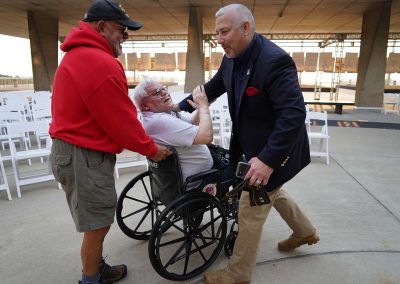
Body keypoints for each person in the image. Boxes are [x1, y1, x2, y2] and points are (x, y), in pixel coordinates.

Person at [174, 4, 319, 284]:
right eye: (217, 32)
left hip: (277, 150)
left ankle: (237, 274)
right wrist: (175, 107)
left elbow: (293, 115)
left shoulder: (275, 61)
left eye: (224, 31)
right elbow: (215, 86)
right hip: (252, 147)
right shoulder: (232, 55)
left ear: (246, 28)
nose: (219, 39)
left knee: (250, 209)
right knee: (273, 192)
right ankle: (305, 232)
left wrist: (267, 161)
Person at [48, 1, 171, 284]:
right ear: (101, 27)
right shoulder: (98, 63)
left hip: (76, 152)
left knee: (95, 219)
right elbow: (121, 121)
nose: (125, 36)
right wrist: (152, 148)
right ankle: (91, 279)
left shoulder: (81, 55)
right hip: (84, 156)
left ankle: (95, 266)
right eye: (121, 29)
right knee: (98, 224)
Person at [133, 79, 234, 189]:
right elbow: (206, 137)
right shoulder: (159, 121)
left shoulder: (162, 114)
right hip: (198, 182)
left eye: (164, 89)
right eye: (157, 92)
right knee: (242, 165)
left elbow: (192, 123)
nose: (165, 93)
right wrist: (204, 107)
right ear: (145, 105)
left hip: (192, 176)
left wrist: (203, 106)